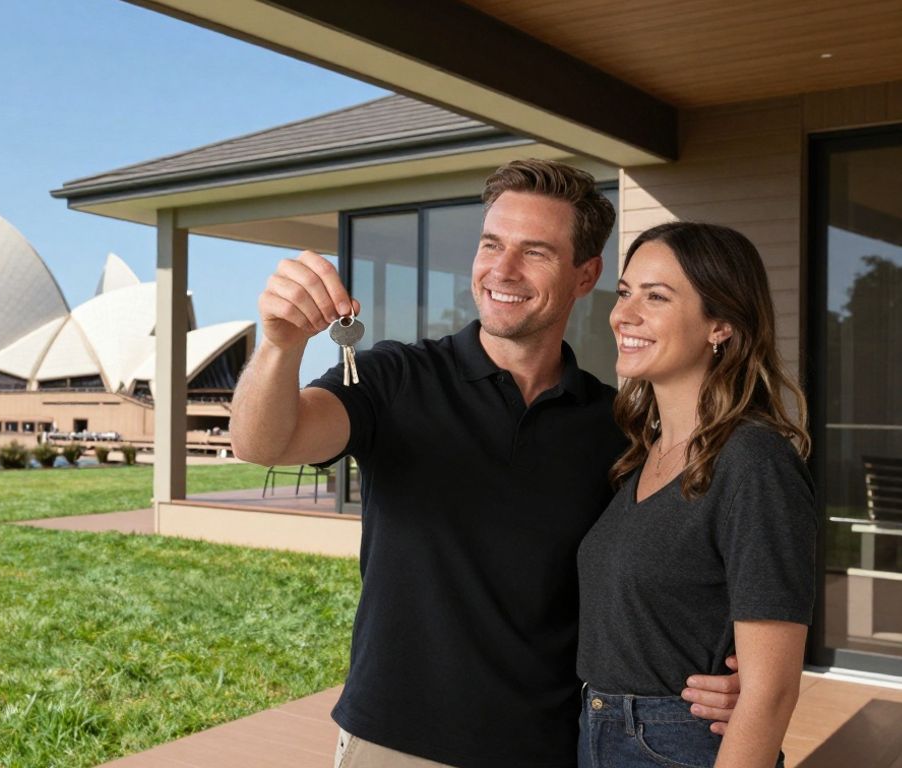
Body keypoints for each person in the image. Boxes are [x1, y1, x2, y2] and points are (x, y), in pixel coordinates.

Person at [230, 159, 742, 768]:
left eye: (535, 252)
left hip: (552, 747)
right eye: (491, 244)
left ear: (586, 275)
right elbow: (266, 442)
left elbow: (662, 570)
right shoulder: (397, 378)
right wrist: (280, 345)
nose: (502, 270)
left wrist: (729, 677)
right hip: (395, 742)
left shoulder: (618, 425)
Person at [576, 222, 814, 768]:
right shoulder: (641, 455)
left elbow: (772, 691)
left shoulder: (754, 460)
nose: (624, 315)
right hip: (600, 732)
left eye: (656, 297)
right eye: (625, 292)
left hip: (679, 746)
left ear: (721, 324)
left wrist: (747, 696)